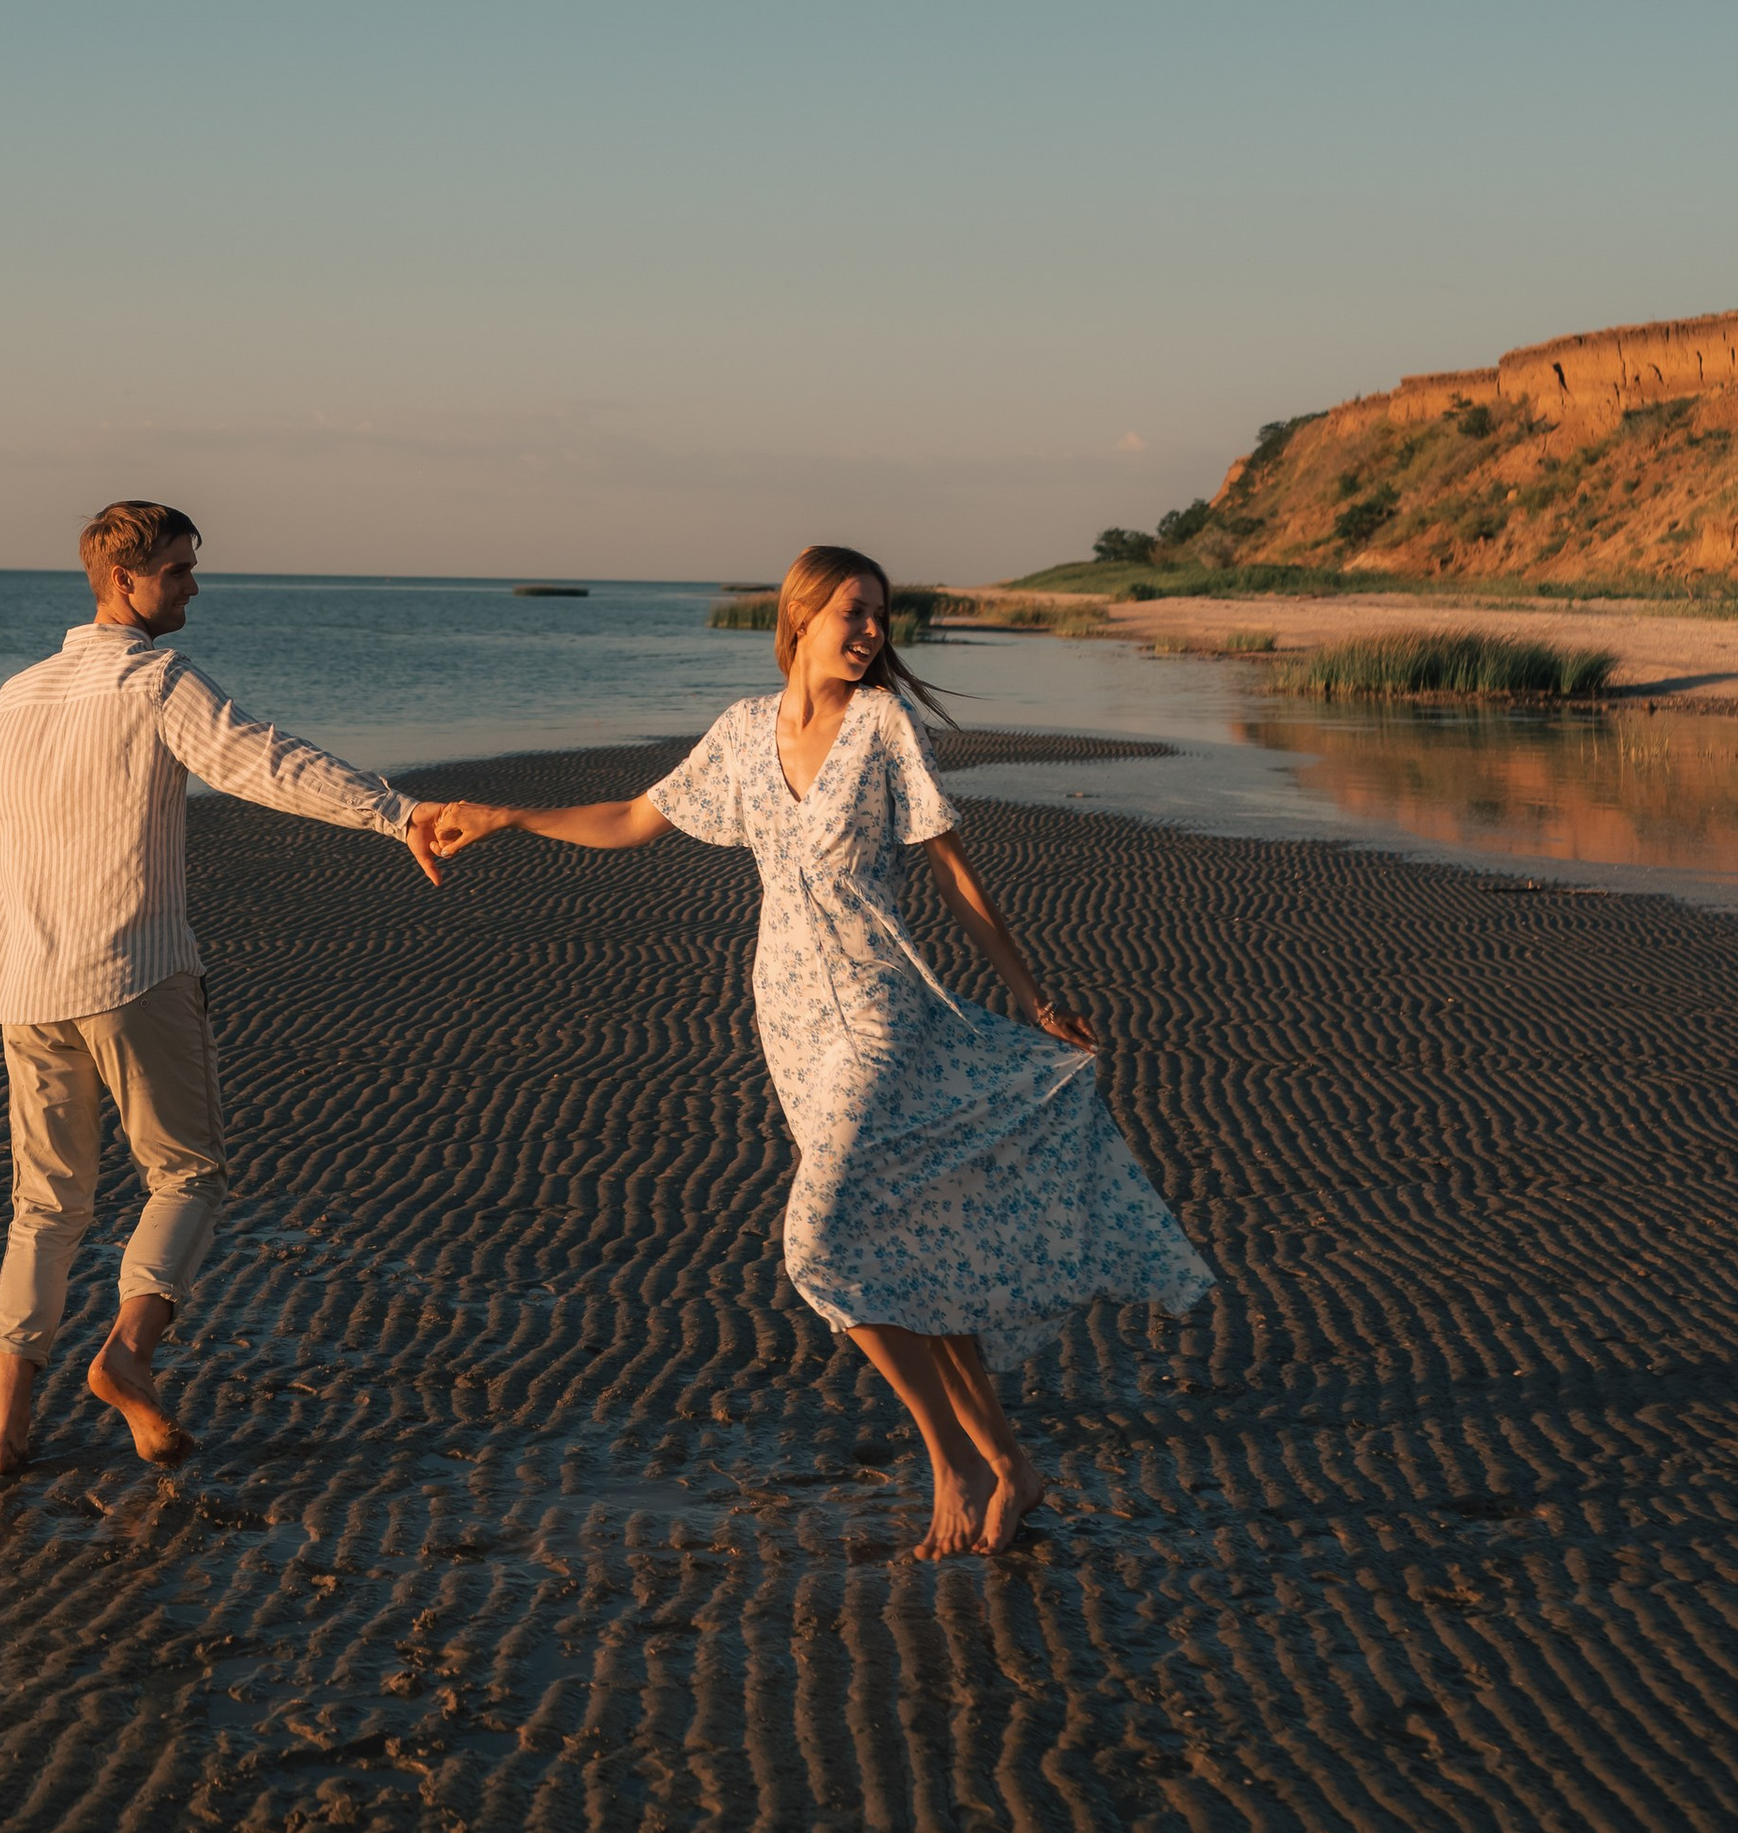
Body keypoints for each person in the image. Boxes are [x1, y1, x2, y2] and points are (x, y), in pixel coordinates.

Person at [433, 544, 1212, 1557]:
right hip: (789, 1023)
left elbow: (952, 873)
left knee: (819, 1247)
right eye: (853, 611)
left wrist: (1032, 994)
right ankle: (1011, 1464)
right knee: (911, 1248)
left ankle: (948, 1459)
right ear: (797, 618)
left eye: (881, 616)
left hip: (880, 1017)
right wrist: (508, 814)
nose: (870, 631)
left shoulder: (884, 726)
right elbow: (632, 818)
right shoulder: (741, 732)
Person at [0, 498, 445, 1477]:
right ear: (122, 581)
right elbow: (262, 761)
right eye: (177, 571)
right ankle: (127, 1355)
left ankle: (3, 1429)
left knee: (43, 1207)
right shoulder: (154, 679)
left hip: (26, 984)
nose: (191, 586)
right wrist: (396, 813)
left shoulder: (21, 691)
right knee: (186, 1174)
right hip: (133, 971)